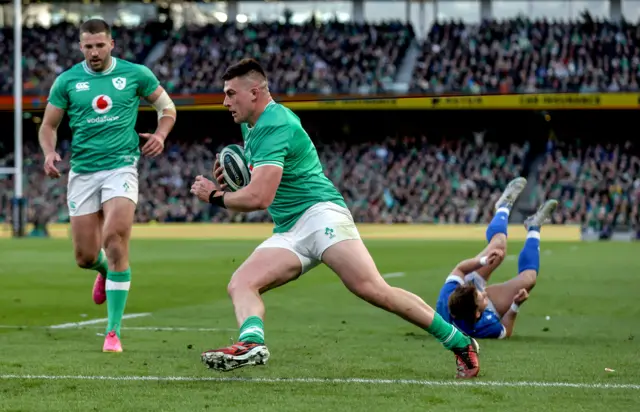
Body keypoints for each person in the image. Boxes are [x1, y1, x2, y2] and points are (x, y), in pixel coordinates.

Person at [190, 58, 480, 379]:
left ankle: (459, 342)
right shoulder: (251, 124)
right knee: (241, 283)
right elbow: (264, 182)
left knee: (371, 288)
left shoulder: (275, 123)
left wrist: (215, 196)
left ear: (255, 92)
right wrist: (238, 179)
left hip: (320, 214)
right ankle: (251, 343)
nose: (225, 101)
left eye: (231, 94)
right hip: (290, 228)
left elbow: (260, 198)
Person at [38, 18, 177, 352]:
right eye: (88, 46)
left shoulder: (136, 74)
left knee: (115, 237)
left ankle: (112, 332)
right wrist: (48, 152)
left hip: (121, 167)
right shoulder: (67, 81)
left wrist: (160, 134)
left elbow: (167, 108)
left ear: (111, 44)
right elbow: (48, 125)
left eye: (100, 45)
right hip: (83, 172)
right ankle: (101, 270)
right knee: (85, 256)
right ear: (81, 46)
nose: (94, 52)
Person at [436, 176, 558, 339]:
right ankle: (533, 227)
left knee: (499, 247)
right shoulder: (484, 327)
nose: (484, 292)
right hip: (483, 309)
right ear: (478, 314)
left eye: (480, 293)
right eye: (481, 297)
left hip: (468, 300)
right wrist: (515, 306)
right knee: (529, 280)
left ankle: (503, 206)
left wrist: (483, 261)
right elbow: (506, 331)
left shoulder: (448, 297)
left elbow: (460, 269)